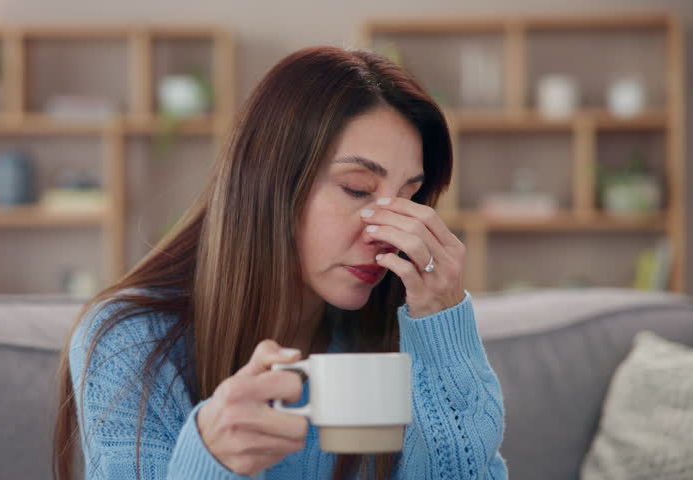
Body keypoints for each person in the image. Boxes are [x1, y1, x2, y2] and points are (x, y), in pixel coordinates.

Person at [53, 45, 508, 479]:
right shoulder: (131, 341)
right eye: (356, 188)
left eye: (409, 198)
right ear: (270, 184)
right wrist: (211, 461)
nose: (386, 234)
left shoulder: (405, 332)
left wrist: (444, 328)